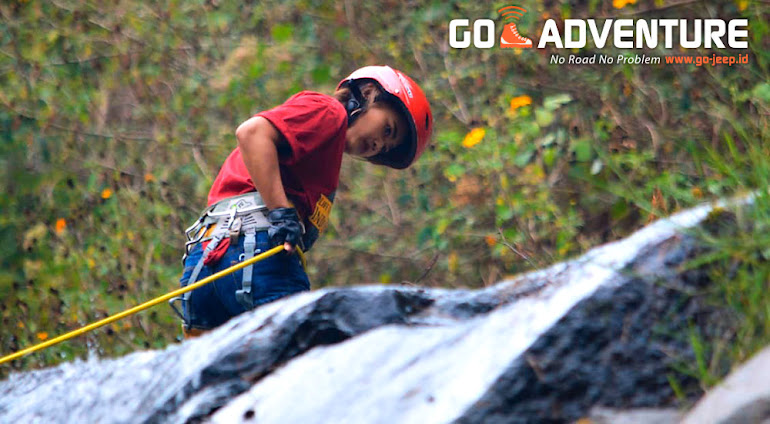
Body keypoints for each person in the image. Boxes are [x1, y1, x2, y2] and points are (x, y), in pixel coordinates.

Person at [172, 66, 433, 336]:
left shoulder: (323, 152)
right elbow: (252, 133)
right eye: (388, 129)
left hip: (204, 263)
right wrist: (281, 212)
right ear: (367, 93)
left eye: (387, 147)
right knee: (304, 363)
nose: (380, 144)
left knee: (224, 375)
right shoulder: (329, 112)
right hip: (252, 254)